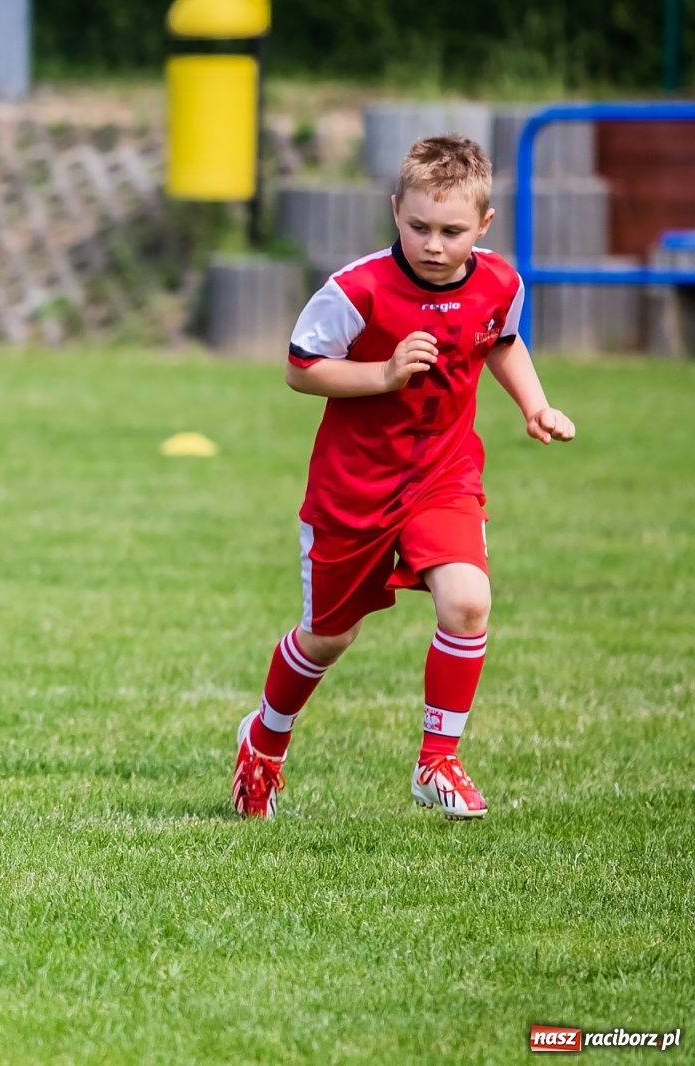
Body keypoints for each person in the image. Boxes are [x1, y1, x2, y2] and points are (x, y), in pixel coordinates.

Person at [232, 135, 574, 820]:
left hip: (443, 478)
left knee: (468, 602)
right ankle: (263, 741)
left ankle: (437, 760)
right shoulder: (355, 290)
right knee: (329, 636)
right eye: (418, 226)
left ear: (484, 225)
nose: (434, 244)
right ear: (395, 211)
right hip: (352, 492)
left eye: (451, 231)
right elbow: (302, 368)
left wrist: (536, 404)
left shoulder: (500, 282)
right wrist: (384, 374)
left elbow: (501, 339)